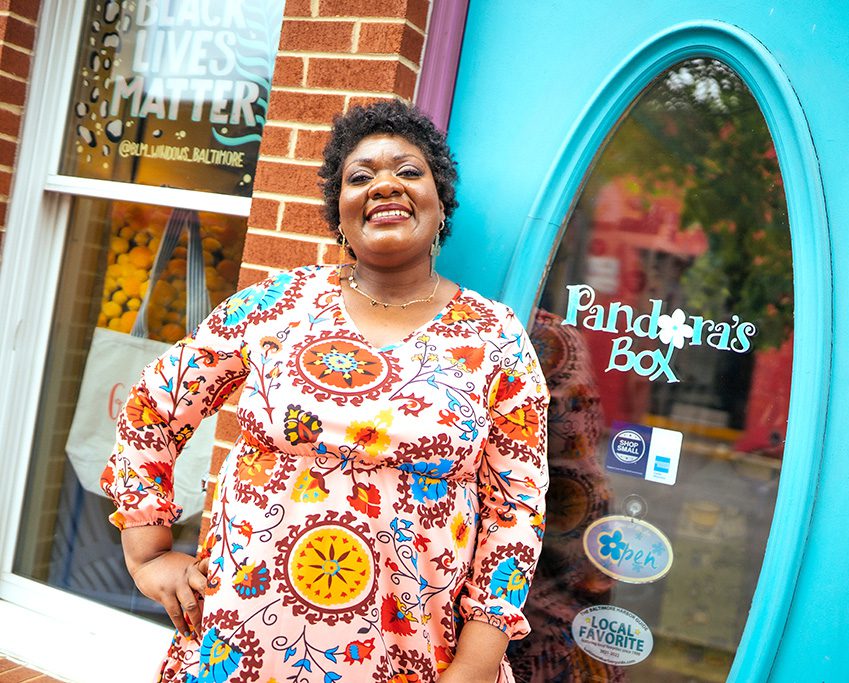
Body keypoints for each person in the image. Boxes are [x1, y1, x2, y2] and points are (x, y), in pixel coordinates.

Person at [101, 100, 549, 683]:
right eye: (359, 177)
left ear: (442, 203)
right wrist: (148, 552)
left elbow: (516, 511)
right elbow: (151, 408)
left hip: (411, 653)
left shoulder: (495, 336)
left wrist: (475, 664)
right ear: (339, 213)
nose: (384, 185)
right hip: (244, 640)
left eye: (409, 171)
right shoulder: (276, 306)